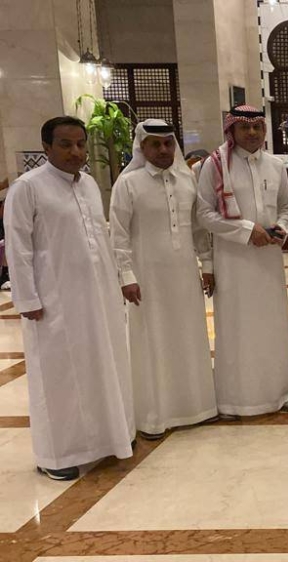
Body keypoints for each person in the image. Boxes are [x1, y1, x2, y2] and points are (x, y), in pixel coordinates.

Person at [4, 116, 134, 480]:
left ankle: (108, 439)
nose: (75, 152)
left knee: (102, 366)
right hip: (54, 301)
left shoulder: (89, 185)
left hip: (97, 297)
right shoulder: (28, 188)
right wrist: (27, 299)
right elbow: (18, 247)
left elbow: (99, 240)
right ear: (46, 147)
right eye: (65, 144)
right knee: (59, 376)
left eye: (80, 144)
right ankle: (57, 455)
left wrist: (116, 283)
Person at [110, 119, 217, 439]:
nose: (163, 150)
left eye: (168, 143)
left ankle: (196, 407)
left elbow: (198, 229)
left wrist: (207, 265)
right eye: (155, 144)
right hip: (146, 278)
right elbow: (118, 235)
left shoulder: (187, 181)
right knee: (151, 340)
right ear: (141, 147)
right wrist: (126, 275)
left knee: (189, 335)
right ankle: (154, 415)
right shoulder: (128, 184)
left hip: (183, 275)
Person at [196, 105, 288, 416]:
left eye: (257, 127)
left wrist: (281, 228)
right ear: (232, 130)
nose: (252, 133)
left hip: (268, 260)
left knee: (273, 324)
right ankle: (235, 400)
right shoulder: (215, 165)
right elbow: (204, 214)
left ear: (265, 131)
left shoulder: (275, 165)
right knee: (237, 327)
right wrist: (246, 231)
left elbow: (286, 206)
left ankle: (282, 393)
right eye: (245, 127)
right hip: (233, 261)